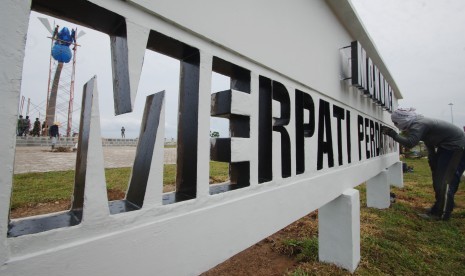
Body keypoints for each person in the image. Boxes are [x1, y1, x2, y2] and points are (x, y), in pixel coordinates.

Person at [382, 107, 465, 220]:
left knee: (444, 181)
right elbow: (429, 141)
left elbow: (410, 143)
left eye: (396, 122)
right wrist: (432, 158)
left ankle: (441, 213)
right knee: (438, 179)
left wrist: (392, 134)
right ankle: (442, 205)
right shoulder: (419, 122)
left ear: (402, 119)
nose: (395, 124)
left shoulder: (418, 124)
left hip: (455, 148)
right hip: (447, 147)